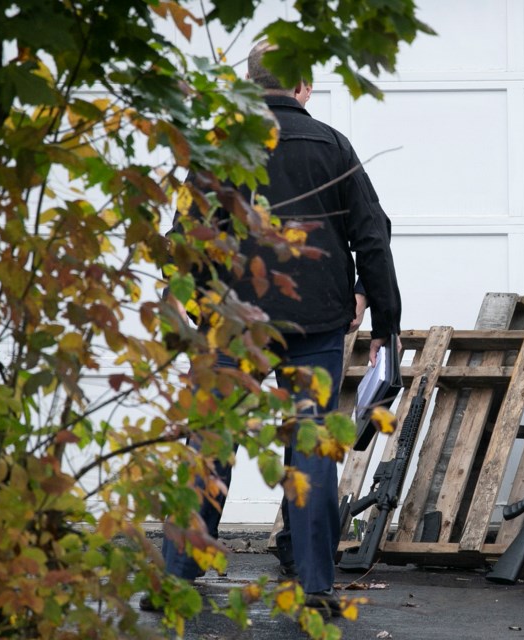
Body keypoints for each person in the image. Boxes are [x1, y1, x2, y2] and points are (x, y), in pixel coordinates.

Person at [143, 40, 402, 616]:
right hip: (315, 327)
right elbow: (373, 236)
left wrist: (207, 312)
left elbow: (180, 246)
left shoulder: (219, 148)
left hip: (233, 330)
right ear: (303, 87)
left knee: (209, 446)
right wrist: (382, 315)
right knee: (309, 450)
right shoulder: (333, 147)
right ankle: (315, 591)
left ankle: (175, 583)